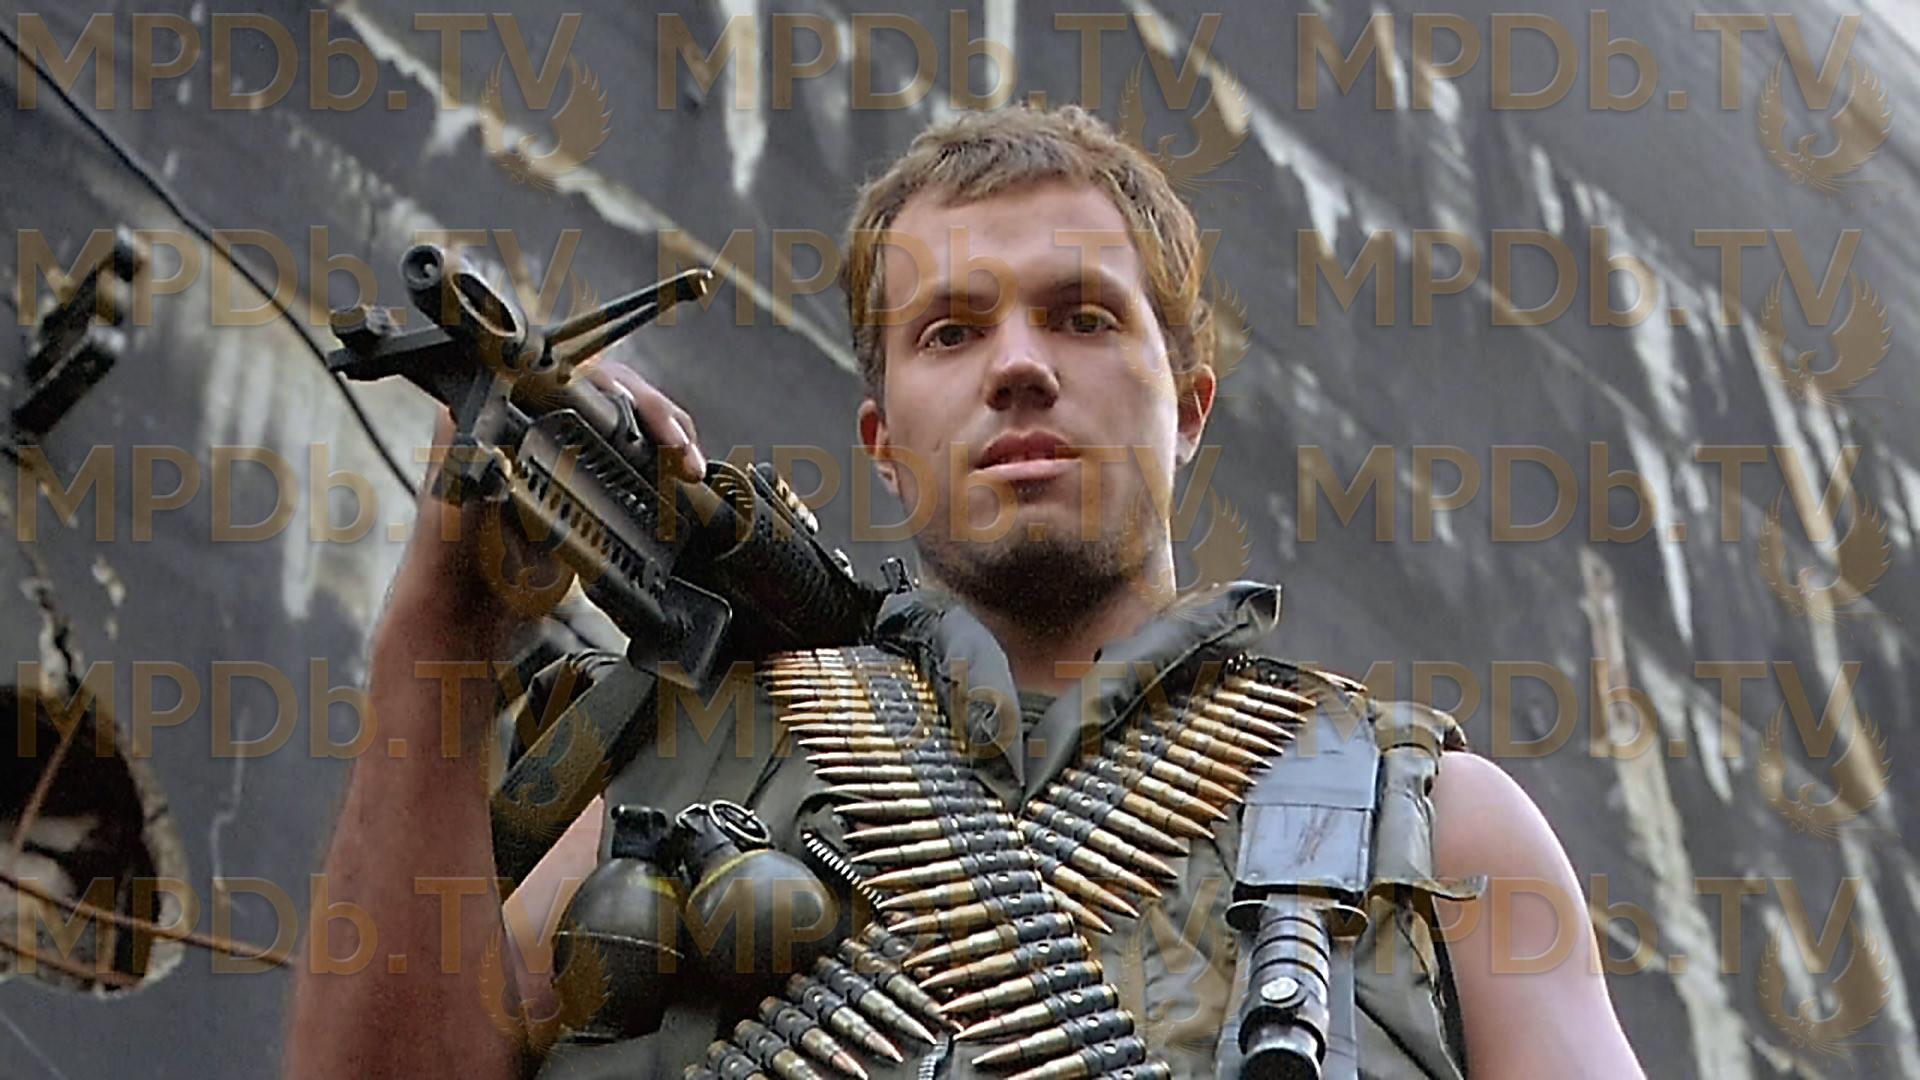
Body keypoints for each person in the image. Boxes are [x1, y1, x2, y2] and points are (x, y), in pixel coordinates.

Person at [286, 103, 1645, 1079]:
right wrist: (442, 633)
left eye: (1083, 315)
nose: (1019, 366)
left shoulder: (1434, 827)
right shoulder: (680, 757)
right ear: (884, 441)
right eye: (951, 331)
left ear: (1189, 409)